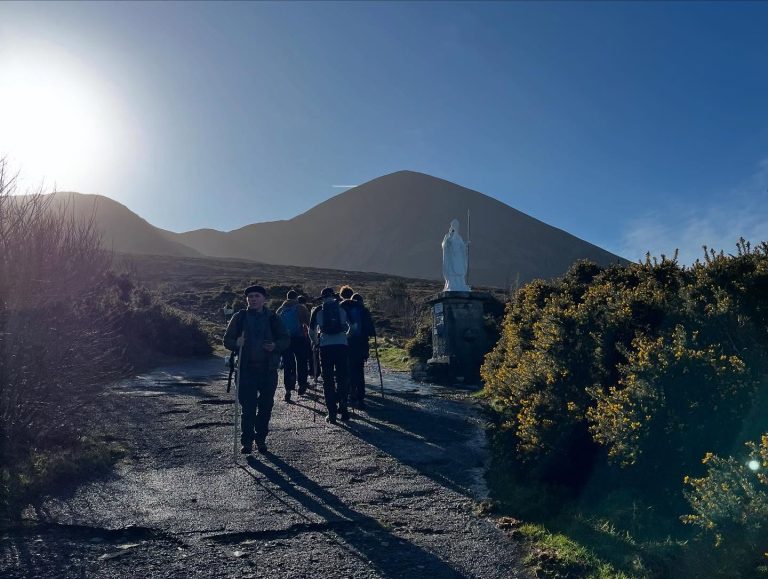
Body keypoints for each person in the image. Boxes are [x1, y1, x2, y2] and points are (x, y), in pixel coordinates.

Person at [223, 285, 289, 454]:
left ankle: (261, 439)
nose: (253, 299)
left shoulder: (273, 318)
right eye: (250, 296)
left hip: (268, 370)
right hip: (245, 371)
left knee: (266, 407)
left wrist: (275, 346)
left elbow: (285, 339)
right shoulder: (240, 317)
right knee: (248, 408)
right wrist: (236, 343)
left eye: (256, 296)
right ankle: (247, 441)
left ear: (264, 299)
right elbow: (227, 340)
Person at [309, 287, 350, 424]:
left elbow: (311, 331)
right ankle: (343, 406)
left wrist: (316, 342)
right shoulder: (342, 308)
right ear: (334, 296)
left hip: (326, 348)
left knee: (328, 380)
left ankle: (331, 413)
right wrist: (345, 337)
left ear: (322, 298)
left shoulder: (317, 310)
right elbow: (352, 326)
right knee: (342, 376)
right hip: (342, 346)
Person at [342, 292, 376, 408]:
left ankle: (350, 395)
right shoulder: (363, 310)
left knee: (348, 370)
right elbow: (371, 330)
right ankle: (360, 398)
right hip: (361, 345)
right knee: (359, 371)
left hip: (346, 344)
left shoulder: (344, 308)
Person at [276, 290, 310, 402]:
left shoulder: (280, 309)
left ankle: (288, 389)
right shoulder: (300, 307)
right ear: (296, 298)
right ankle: (302, 384)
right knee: (301, 361)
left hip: (285, 340)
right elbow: (309, 323)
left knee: (288, 363)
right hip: (299, 339)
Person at [442, 218, 470, 292]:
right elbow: (444, 245)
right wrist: (450, 238)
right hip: (451, 258)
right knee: (452, 271)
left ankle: (460, 284)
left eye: (457, 225)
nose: (455, 227)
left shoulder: (459, 237)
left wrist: (466, 245)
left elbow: (462, 247)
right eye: (454, 225)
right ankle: (452, 284)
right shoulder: (447, 236)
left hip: (458, 257)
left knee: (460, 270)